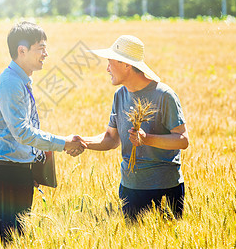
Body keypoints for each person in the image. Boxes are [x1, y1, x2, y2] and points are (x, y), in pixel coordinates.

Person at [0, 21, 85, 242]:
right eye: (41, 48)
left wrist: (31, 168)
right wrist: (64, 143)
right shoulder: (11, 83)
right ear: (22, 50)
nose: (46, 53)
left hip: (15, 174)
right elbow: (23, 133)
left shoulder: (20, 81)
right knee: (11, 241)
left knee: (16, 240)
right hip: (5, 177)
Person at [80, 35, 189, 220]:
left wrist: (147, 139)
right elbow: (111, 139)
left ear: (126, 65)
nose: (107, 69)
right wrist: (81, 142)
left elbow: (183, 140)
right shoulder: (120, 95)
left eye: (110, 62)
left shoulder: (164, 95)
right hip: (130, 188)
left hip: (164, 188)